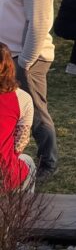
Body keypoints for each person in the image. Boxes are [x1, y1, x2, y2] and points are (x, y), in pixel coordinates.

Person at [0, 0, 58, 183]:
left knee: (34, 111)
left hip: (27, 58)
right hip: (11, 56)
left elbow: (38, 25)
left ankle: (48, 163)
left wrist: (24, 63)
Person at [0, 42, 36, 192]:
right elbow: (21, 141)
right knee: (28, 162)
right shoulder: (22, 98)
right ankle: (24, 203)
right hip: (4, 174)